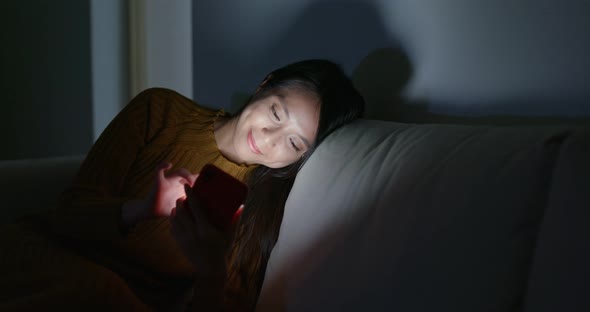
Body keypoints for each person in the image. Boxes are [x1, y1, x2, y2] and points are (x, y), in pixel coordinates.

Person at [0, 59, 364, 311]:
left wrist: (211, 268)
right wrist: (138, 211)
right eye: (275, 113)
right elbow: (68, 215)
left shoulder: (263, 211)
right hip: (44, 259)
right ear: (265, 84)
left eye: (294, 144)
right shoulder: (161, 111)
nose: (269, 139)